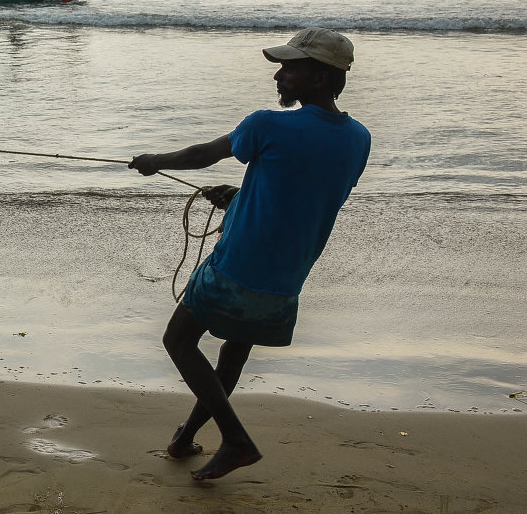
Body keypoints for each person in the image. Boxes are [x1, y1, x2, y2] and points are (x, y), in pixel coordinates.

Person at [128, 27, 370, 481]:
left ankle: (236, 440)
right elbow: (304, 193)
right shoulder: (359, 139)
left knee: (178, 342)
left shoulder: (267, 123)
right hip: (286, 277)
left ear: (320, 78)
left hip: (236, 265)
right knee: (232, 357)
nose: (279, 76)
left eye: (290, 69)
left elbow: (204, 154)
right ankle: (185, 438)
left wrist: (154, 160)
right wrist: (242, 196)